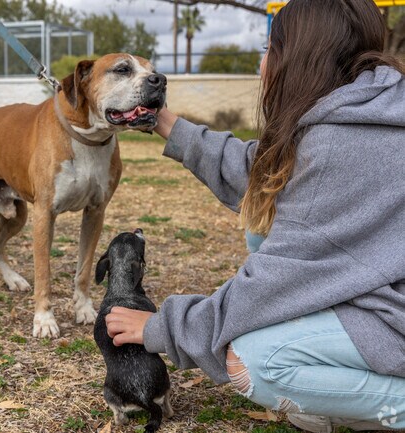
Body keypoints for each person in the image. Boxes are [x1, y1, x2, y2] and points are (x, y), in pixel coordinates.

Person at [105, 0, 405, 431]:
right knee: (259, 229)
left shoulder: (341, 145)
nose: (263, 62)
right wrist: (163, 122)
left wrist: (164, 327)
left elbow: (274, 280)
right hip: (391, 289)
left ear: (300, 56)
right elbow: (264, 174)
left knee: (255, 362)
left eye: (270, 47)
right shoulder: (364, 107)